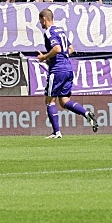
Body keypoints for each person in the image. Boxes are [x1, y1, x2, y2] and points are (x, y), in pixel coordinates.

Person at [37, 9, 98, 138]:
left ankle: (56, 132)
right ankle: (86, 114)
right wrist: (55, 57)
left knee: (49, 101)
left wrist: (44, 57)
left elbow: (57, 48)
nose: (41, 24)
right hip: (68, 69)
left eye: (40, 21)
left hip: (57, 69)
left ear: (44, 19)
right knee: (64, 101)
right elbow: (70, 49)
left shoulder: (49, 32)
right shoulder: (61, 31)